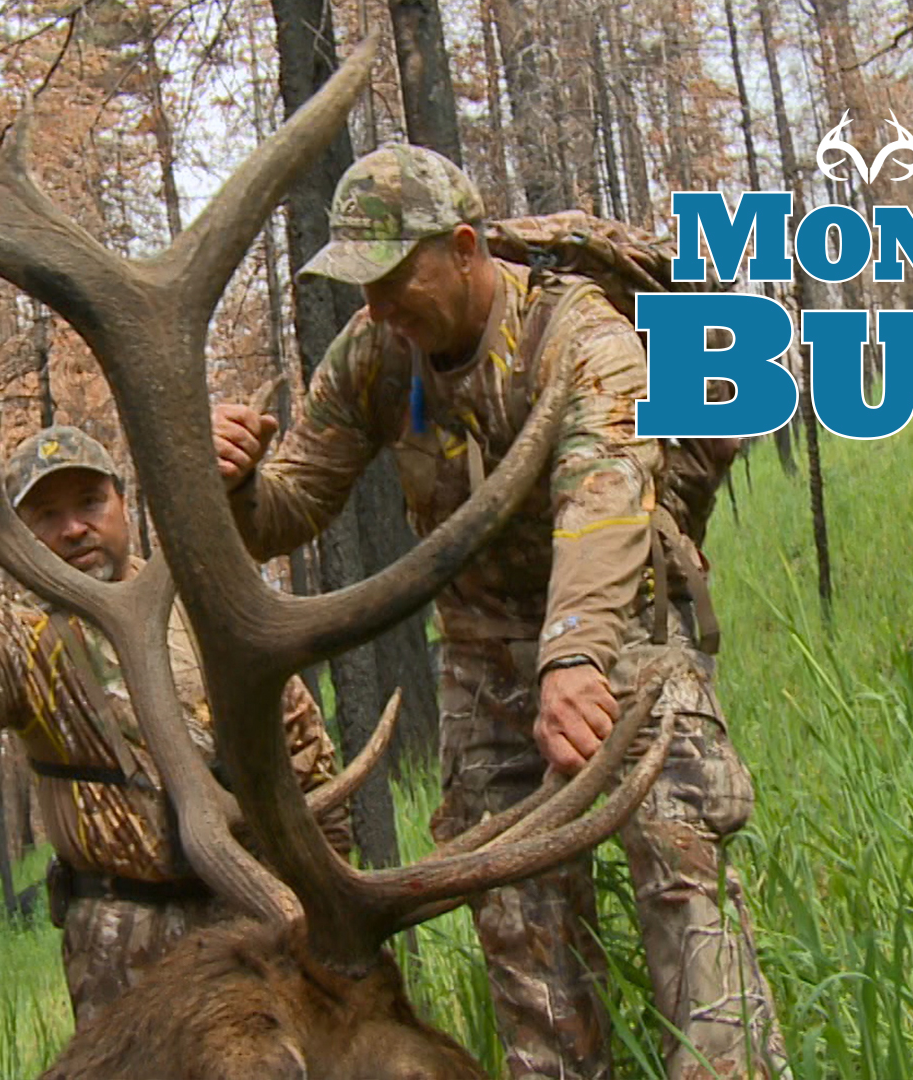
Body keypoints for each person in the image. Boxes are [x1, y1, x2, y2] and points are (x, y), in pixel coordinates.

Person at [210, 144, 786, 1080]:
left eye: (394, 278)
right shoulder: (373, 354)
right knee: (522, 934)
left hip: (624, 637)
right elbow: (287, 511)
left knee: (686, 892)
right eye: (362, 285)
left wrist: (573, 660)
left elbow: (606, 504)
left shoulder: (583, 339)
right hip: (483, 660)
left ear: (466, 248)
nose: (376, 305)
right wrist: (234, 485)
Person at [0, 423, 351, 1029]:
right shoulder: (20, 641)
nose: (74, 527)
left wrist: (328, 896)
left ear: (125, 505)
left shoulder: (209, 602)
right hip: (122, 951)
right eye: (46, 514)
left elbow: (303, 747)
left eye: (89, 502)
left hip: (253, 919)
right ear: (21, 537)